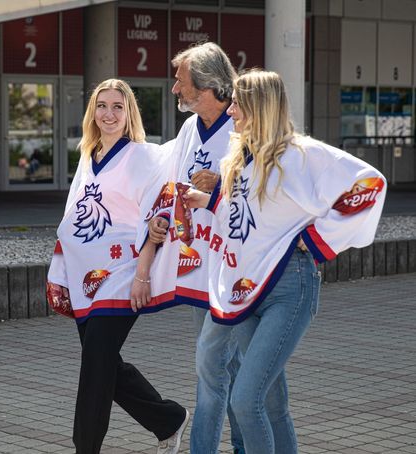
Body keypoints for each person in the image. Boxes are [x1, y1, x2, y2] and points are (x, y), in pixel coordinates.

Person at [181, 70, 386, 453]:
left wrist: (316, 238)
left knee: (245, 399)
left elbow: (369, 183)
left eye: (239, 103)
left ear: (259, 106)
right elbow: (252, 218)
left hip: (289, 286)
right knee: (271, 403)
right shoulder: (240, 154)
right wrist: (207, 201)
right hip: (246, 286)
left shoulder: (302, 153)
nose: (232, 112)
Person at [47, 79, 189, 454]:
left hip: (123, 275)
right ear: (92, 112)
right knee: (105, 363)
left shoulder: (143, 156)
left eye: (118, 107)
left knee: (96, 365)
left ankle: (85, 448)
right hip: (84, 279)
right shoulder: (87, 154)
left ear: (129, 115)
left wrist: (143, 274)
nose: (109, 114)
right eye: (102, 106)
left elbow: (157, 211)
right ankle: (168, 420)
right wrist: (58, 272)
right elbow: (71, 219)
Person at [142, 42, 252, 454]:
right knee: (230, 367)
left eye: (180, 81)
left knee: (214, 368)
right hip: (197, 268)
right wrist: (160, 221)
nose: (174, 89)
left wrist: (220, 185)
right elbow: (171, 182)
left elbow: (264, 190)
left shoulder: (244, 125)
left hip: (235, 268)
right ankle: (245, 446)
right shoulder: (189, 129)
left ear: (207, 85)